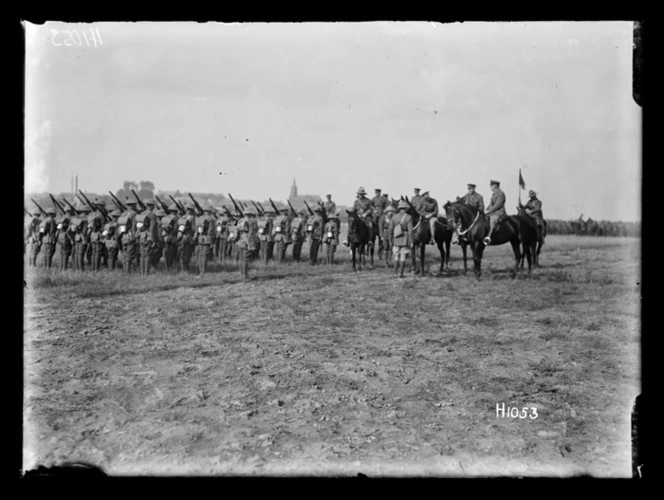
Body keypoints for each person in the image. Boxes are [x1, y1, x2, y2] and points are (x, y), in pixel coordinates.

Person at [388, 200, 414, 278]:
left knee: (396, 256)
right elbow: (410, 230)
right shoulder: (409, 217)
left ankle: (395, 273)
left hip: (396, 238)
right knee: (402, 256)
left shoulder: (394, 217)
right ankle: (401, 274)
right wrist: (411, 241)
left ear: (399, 208)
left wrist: (390, 239)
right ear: (406, 208)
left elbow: (390, 229)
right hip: (405, 238)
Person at [237, 205, 259, 280]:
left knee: (241, 258)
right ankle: (245, 275)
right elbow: (251, 234)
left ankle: (242, 274)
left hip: (241, 241)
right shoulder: (252, 222)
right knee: (246, 259)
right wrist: (251, 245)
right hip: (248, 242)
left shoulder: (240, 221)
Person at [484, 180, 506, 245]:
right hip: (493, 212)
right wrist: (486, 210)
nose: (490, 187)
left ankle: (488, 237)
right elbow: (491, 204)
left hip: (499, 212)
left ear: (495, 186)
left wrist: (489, 211)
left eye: (491, 185)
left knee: (493, 220)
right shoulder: (494, 193)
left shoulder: (500, 193)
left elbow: (498, 204)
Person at [119, 200, 138, 273]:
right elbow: (134, 226)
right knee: (129, 255)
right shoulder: (134, 213)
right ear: (132, 205)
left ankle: (124, 270)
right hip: (130, 236)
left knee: (124, 253)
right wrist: (135, 235)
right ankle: (128, 271)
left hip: (124, 235)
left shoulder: (123, 213)